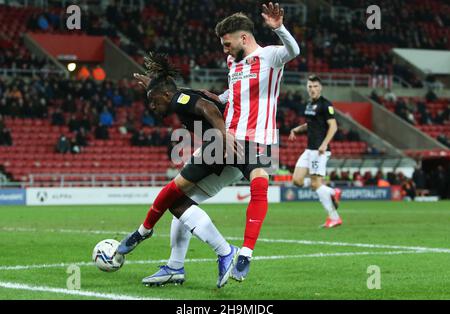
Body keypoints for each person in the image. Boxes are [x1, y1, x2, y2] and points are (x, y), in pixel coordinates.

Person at [119, 1, 300, 285]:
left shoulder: (270, 57)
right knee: (179, 202)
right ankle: (177, 266)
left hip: (254, 139)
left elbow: (294, 51)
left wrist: (280, 29)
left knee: (259, 185)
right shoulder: (233, 62)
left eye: (227, 44)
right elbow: (233, 91)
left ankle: (244, 254)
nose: (224, 50)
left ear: (243, 38)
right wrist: (218, 96)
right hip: (226, 137)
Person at [117, 52, 243, 288]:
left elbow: (208, 108)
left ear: (166, 95)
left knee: (174, 193)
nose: (153, 107)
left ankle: (224, 250)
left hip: (221, 146)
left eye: (154, 101)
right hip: (233, 151)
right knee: (181, 207)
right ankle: (175, 267)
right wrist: (151, 84)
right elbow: (183, 95)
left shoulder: (178, 99)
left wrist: (224, 138)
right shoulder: (180, 95)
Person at [289, 75, 342, 228]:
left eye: (315, 86)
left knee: (316, 184)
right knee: (297, 181)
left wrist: (324, 144)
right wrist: (297, 129)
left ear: (321, 88)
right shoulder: (309, 104)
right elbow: (311, 123)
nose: (312, 89)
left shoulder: (326, 105)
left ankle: (334, 217)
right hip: (309, 149)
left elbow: (333, 126)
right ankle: (331, 192)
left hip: (319, 150)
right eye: (310, 86)